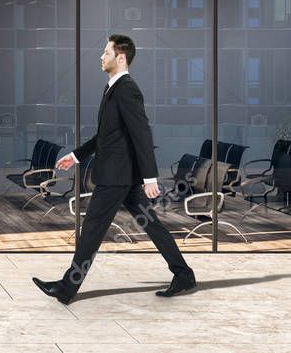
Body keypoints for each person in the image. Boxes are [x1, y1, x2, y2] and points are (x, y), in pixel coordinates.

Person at [32, 34, 196, 304]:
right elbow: (106, 136)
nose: (101, 56)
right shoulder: (112, 89)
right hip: (123, 176)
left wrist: (150, 177)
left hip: (116, 177)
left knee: (93, 229)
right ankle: (184, 275)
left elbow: (142, 133)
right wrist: (75, 156)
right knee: (151, 224)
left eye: (106, 52)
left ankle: (66, 288)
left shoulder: (127, 89)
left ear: (121, 57)